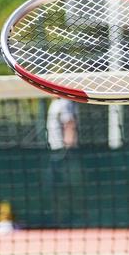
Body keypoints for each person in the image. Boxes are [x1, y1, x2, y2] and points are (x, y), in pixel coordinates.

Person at [44, 97, 81, 227]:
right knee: (55, 187)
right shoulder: (55, 102)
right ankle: (60, 219)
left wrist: (67, 150)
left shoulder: (64, 102)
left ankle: (70, 218)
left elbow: (69, 124)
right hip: (55, 151)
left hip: (63, 151)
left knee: (67, 187)